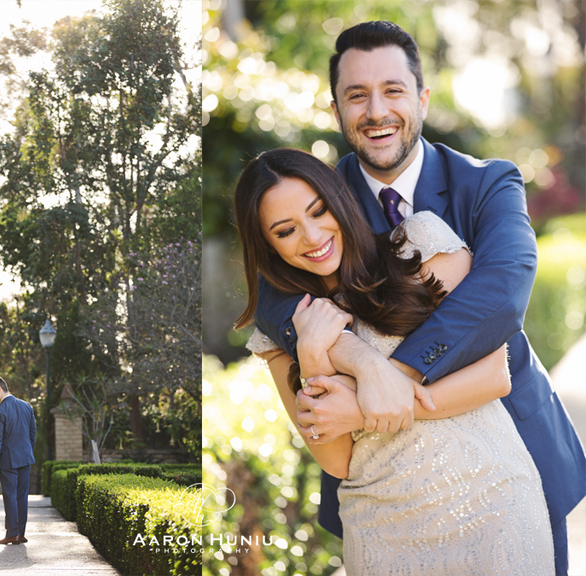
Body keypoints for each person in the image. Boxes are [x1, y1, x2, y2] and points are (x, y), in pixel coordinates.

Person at [252, 20, 586, 575]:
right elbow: (274, 298)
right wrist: (358, 359)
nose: (376, 111)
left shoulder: (487, 183)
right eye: (356, 95)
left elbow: (501, 293)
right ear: (336, 110)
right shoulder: (319, 200)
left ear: (422, 98)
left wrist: (392, 381)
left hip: (509, 459)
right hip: (386, 493)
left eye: (393, 90)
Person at [235, 146, 554, 573]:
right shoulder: (279, 335)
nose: (312, 237)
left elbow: (494, 377)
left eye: (318, 211)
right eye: (286, 230)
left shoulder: (420, 242)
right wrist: (311, 353)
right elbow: (336, 461)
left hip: (492, 500)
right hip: (380, 525)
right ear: (267, 245)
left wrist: (364, 406)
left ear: (340, 199)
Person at [0, 377, 37, 545]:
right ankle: (20, 533)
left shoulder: (0, 411)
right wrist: (27, 452)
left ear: (0, 389)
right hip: (25, 458)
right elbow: (32, 434)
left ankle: (12, 534)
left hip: (8, 461)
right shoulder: (26, 406)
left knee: (10, 496)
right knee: (22, 496)